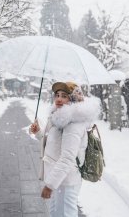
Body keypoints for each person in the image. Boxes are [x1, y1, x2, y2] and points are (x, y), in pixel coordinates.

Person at [29, 82, 98, 217]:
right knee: (56, 213)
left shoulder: (73, 124)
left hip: (66, 181)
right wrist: (38, 133)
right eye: (57, 95)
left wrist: (49, 186)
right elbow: (52, 144)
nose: (59, 99)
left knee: (65, 214)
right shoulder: (58, 118)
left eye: (64, 96)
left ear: (72, 99)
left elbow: (67, 158)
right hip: (58, 179)